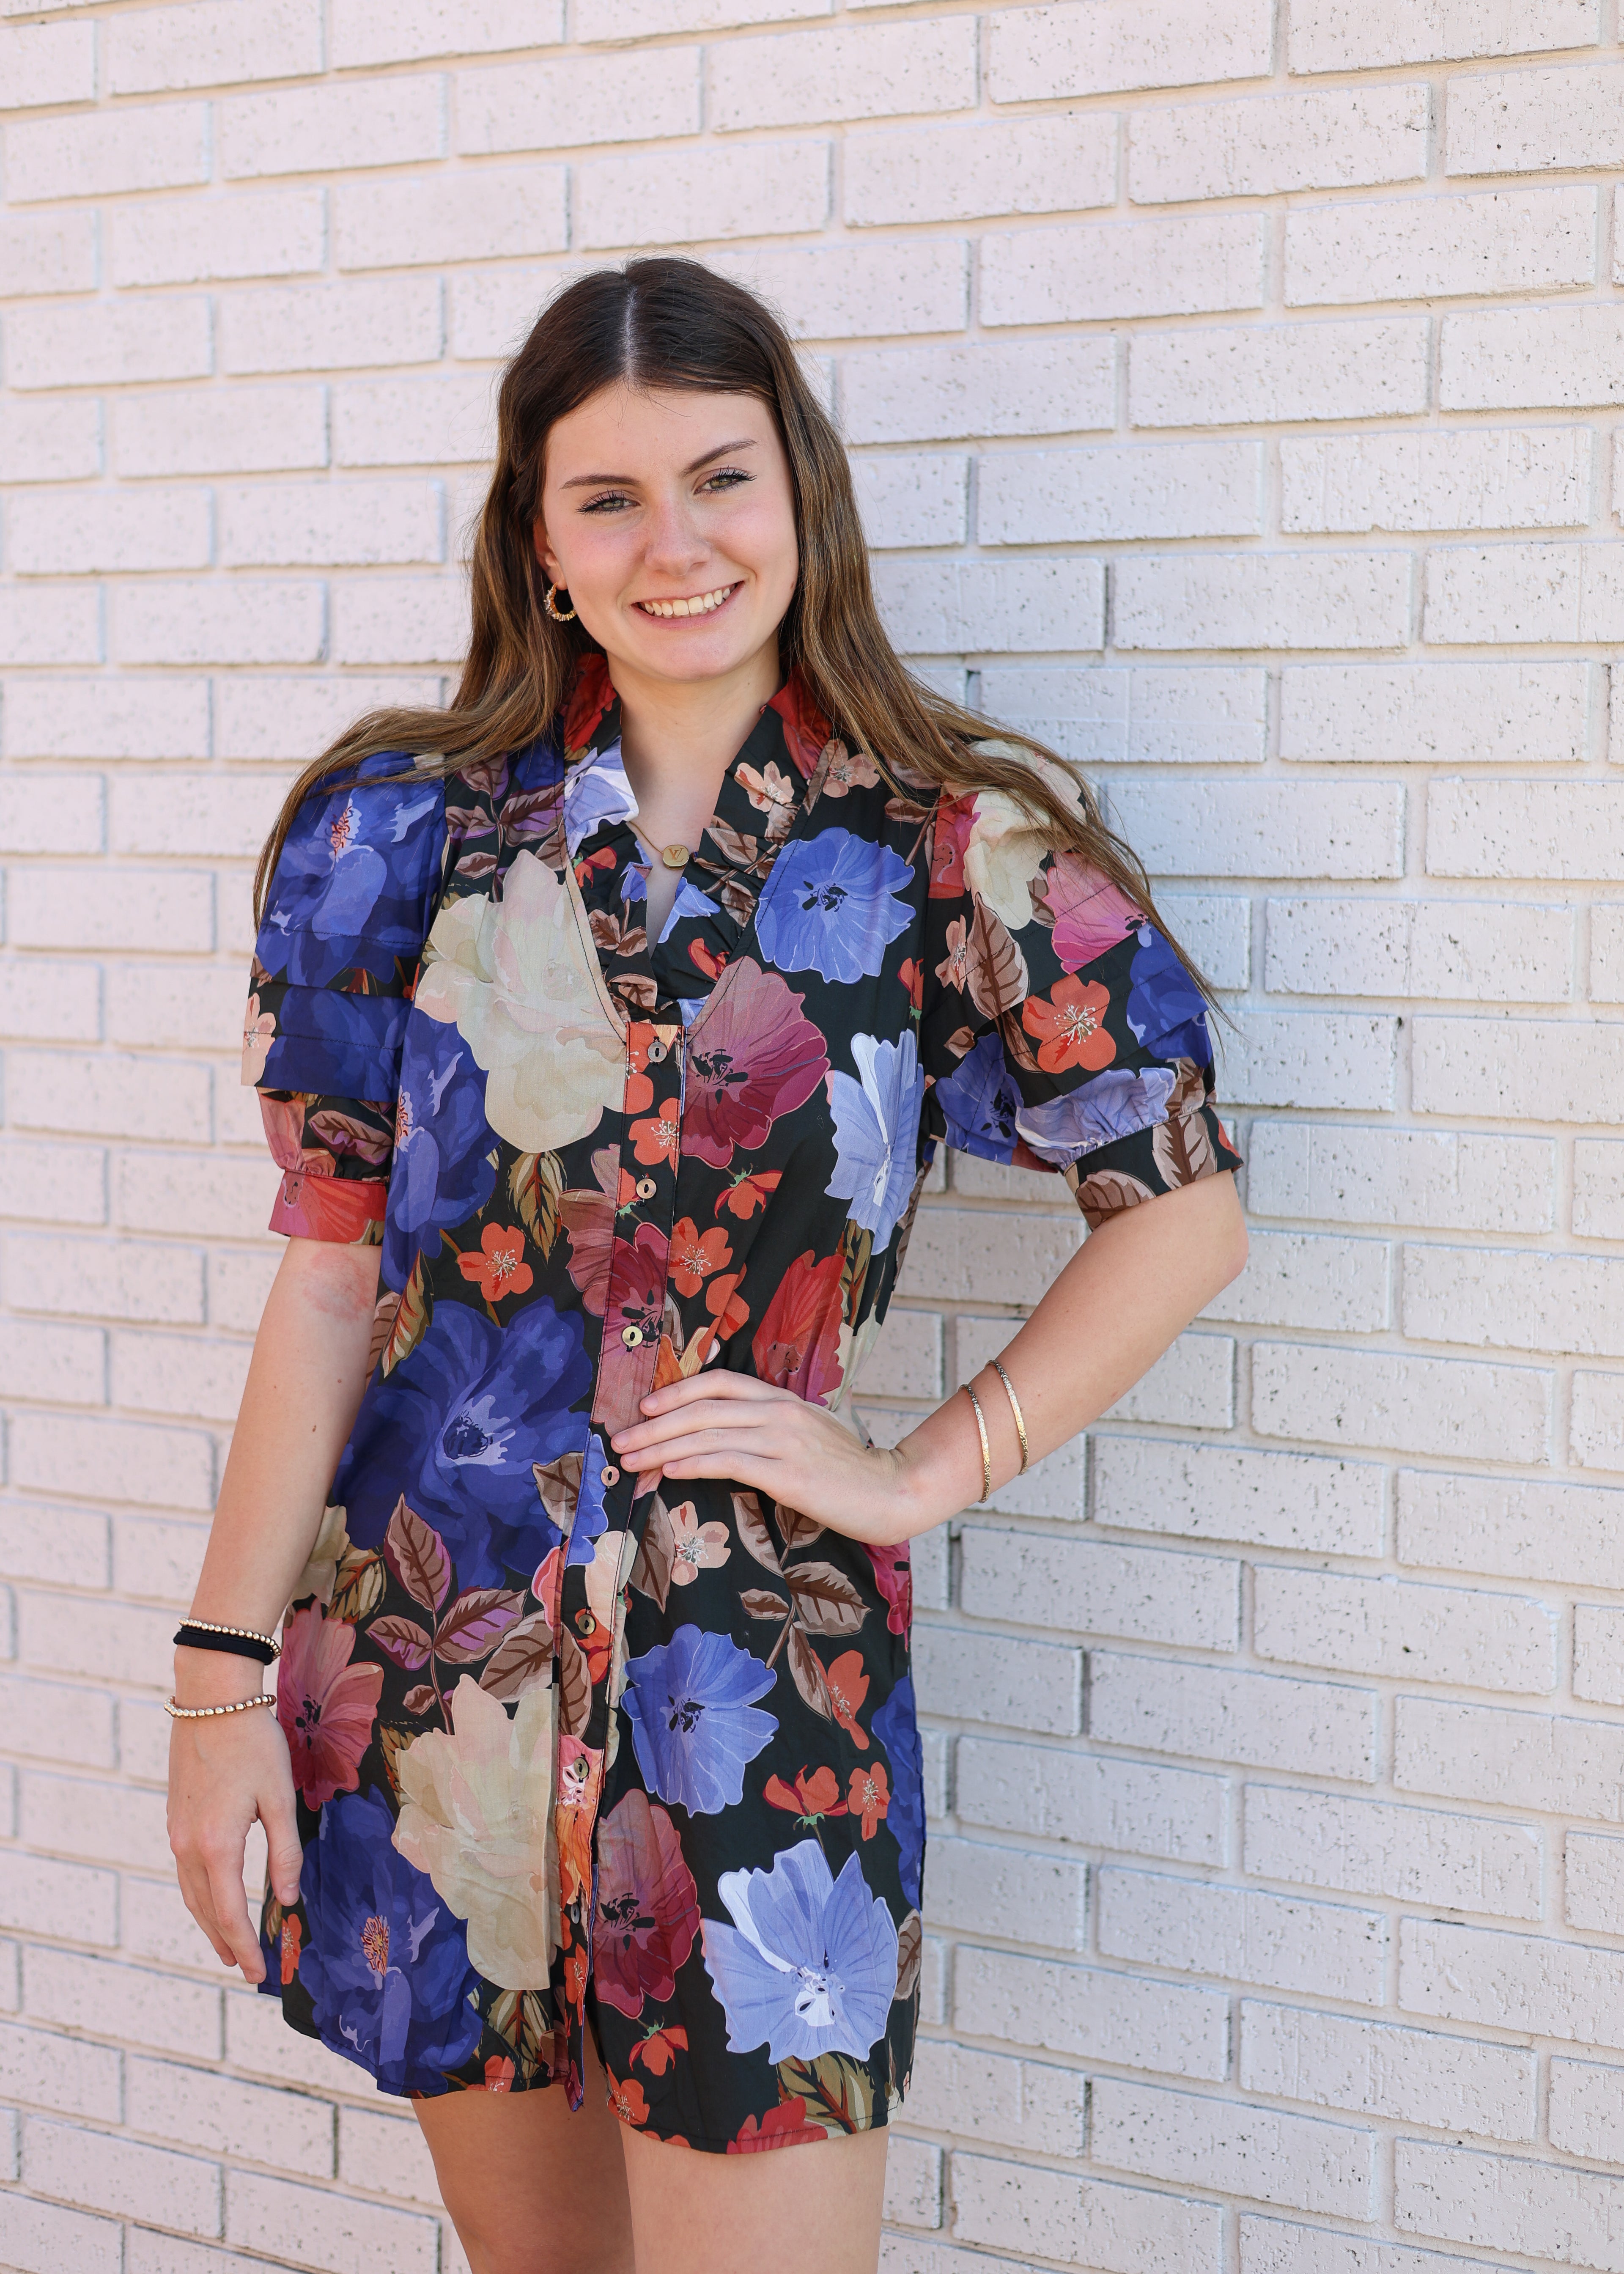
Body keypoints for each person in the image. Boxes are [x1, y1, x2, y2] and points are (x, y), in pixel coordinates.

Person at [167, 256, 1248, 2274]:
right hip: (436, 1684)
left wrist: (919, 1469)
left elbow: (1183, 1202)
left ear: (799, 491)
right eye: (610, 499)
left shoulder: (952, 848)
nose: (676, 545)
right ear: (541, 541)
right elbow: (326, 1277)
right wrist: (214, 1687)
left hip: (759, 1694)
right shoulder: (393, 837)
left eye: (721, 478)